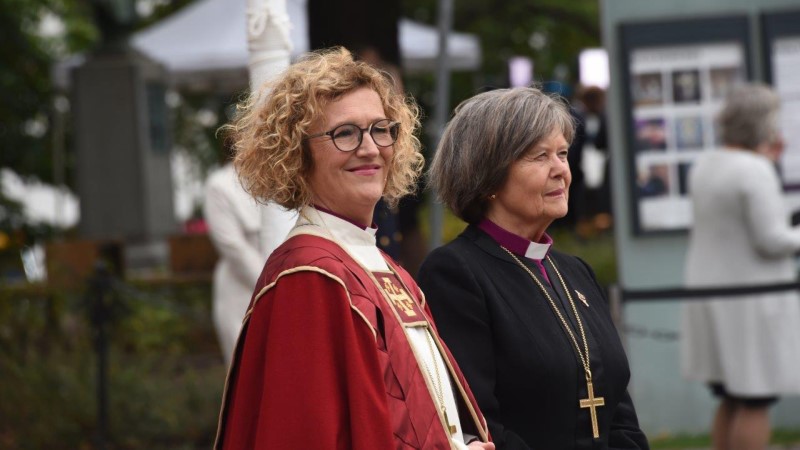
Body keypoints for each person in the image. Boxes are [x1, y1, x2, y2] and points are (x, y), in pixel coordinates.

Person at [213, 47, 493, 450]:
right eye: (344, 133)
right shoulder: (309, 276)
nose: (370, 148)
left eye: (381, 128)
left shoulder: (382, 267)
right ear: (296, 153)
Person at [418, 87, 650, 449]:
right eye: (540, 156)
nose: (561, 170)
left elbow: (618, 411)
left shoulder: (576, 272)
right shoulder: (455, 274)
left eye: (562, 154)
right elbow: (479, 421)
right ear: (489, 176)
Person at [681, 82, 800, 450]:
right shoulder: (753, 170)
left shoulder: (707, 164)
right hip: (750, 300)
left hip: (712, 293)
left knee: (731, 397)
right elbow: (772, 241)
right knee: (755, 399)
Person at [204, 160, 296, 364]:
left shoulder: (284, 175)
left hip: (288, 282)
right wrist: (274, 284)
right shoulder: (220, 185)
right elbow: (231, 245)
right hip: (242, 292)